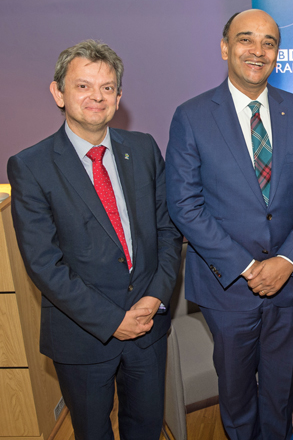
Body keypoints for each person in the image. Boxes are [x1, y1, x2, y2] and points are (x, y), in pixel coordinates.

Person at [165, 10, 293, 439]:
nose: (257, 51)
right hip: (228, 286)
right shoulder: (191, 116)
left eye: (268, 42)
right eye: (245, 39)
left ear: (277, 53)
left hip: (289, 285)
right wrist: (248, 266)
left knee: (280, 390)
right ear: (225, 48)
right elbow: (184, 204)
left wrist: (287, 260)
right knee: (236, 394)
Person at [7, 40, 182, 440]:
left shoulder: (144, 150)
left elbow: (168, 232)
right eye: (83, 86)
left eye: (106, 87)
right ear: (58, 93)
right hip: (82, 336)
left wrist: (154, 299)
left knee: (146, 429)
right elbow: (43, 263)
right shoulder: (30, 166)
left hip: (148, 327)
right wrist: (113, 321)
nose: (96, 97)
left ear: (118, 98)